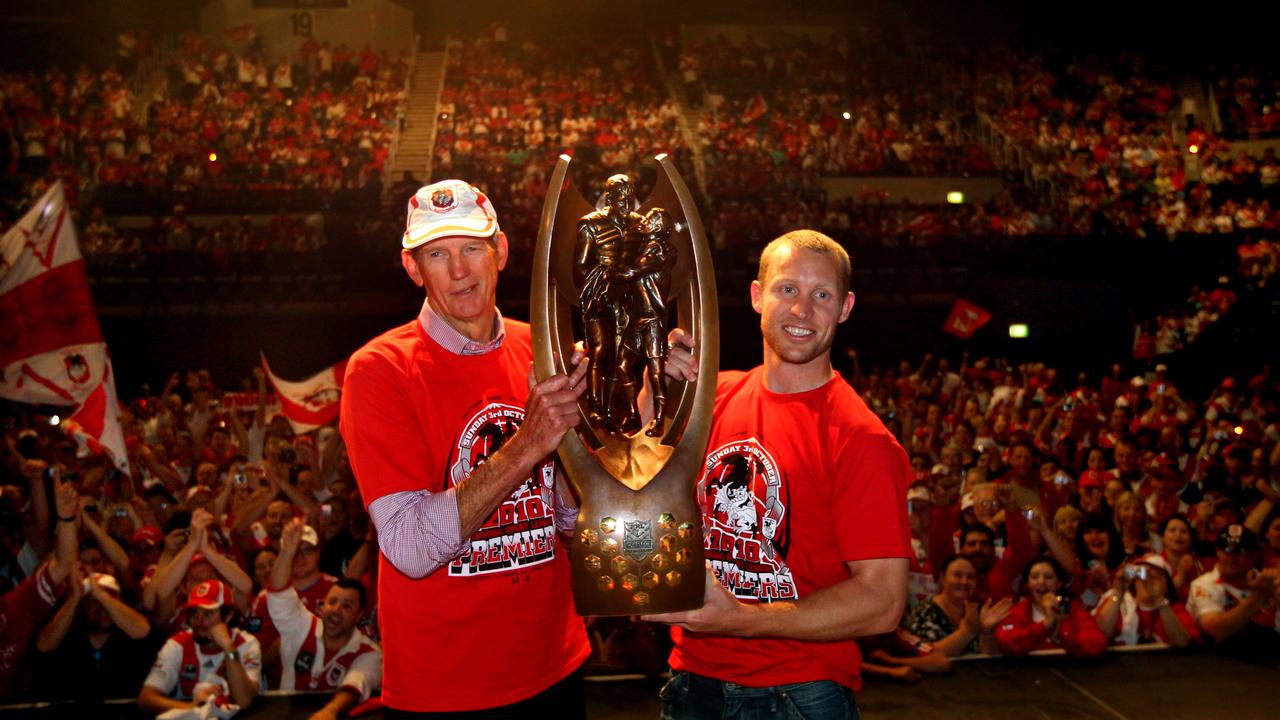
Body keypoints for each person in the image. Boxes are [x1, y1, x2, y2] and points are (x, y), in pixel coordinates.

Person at [340, 180, 591, 716]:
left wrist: (580, 440)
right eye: (437, 254)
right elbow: (407, 548)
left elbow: (567, 525)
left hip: (557, 665)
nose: (459, 271)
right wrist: (529, 443)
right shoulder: (380, 370)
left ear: (499, 250)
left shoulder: (543, 347)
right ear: (413, 268)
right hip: (446, 689)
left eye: (471, 248)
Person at [647, 230, 911, 718]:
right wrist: (653, 387)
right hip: (692, 680)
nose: (802, 310)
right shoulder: (711, 398)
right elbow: (632, 481)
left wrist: (740, 619)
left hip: (798, 693)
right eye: (787, 289)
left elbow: (882, 601)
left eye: (822, 295)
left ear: (846, 307)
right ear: (756, 296)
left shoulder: (861, 438)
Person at [265, 518, 381, 718]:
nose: (336, 610)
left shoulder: (370, 652)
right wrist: (286, 552)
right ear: (323, 605)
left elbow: (357, 681)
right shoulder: (302, 626)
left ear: (359, 615)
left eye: (347, 605)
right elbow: (278, 593)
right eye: (332, 601)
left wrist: (329, 711)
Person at [137, 579, 262, 714]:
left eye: (207, 614)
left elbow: (244, 701)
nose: (199, 621)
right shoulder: (177, 644)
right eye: (194, 613)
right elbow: (146, 698)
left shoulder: (246, 643)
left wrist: (228, 648)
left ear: (228, 616)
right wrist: (195, 708)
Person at [994, 556, 1108, 656]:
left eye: (1048, 577)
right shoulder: (1015, 612)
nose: (1041, 582)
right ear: (1027, 584)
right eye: (1034, 577)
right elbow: (1007, 643)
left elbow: (1097, 643)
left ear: (1058, 584)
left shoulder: (1074, 611)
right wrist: (1044, 626)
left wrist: (1063, 639)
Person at [901, 554, 1012, 656]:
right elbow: (926, 654)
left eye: (970, 577)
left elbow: (990, 658)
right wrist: (966, 632)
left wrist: (987, 632)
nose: (964, 581)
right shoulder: (923, 612)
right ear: (943, 579)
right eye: (957, 575)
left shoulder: (979, 612)